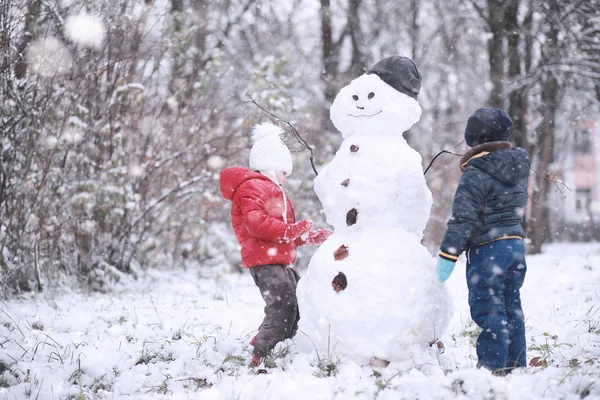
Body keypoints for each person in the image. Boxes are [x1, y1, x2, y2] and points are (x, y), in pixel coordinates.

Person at [219, 122, 332, 366]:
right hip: (265, 261)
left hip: (278, 260)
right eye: (284, 172)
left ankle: (276, 342)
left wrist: (308, 237)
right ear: (272, 166)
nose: (286, 178)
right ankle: (261, 353)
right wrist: (290, 230)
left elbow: (282, 233)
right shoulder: (252, 187)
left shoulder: (271, 190)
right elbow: (256, 224)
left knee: (297, 301)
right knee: (282, 305)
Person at [436, 108, 530, 375]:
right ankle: (516, 365)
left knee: (489, 311)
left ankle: (492, 370)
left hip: (488, 251)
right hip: (515, 246)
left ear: (472, 140)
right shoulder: (517, 166)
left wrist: (447, 255)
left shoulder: (476, 172)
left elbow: (464, 219)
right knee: (512, 307)